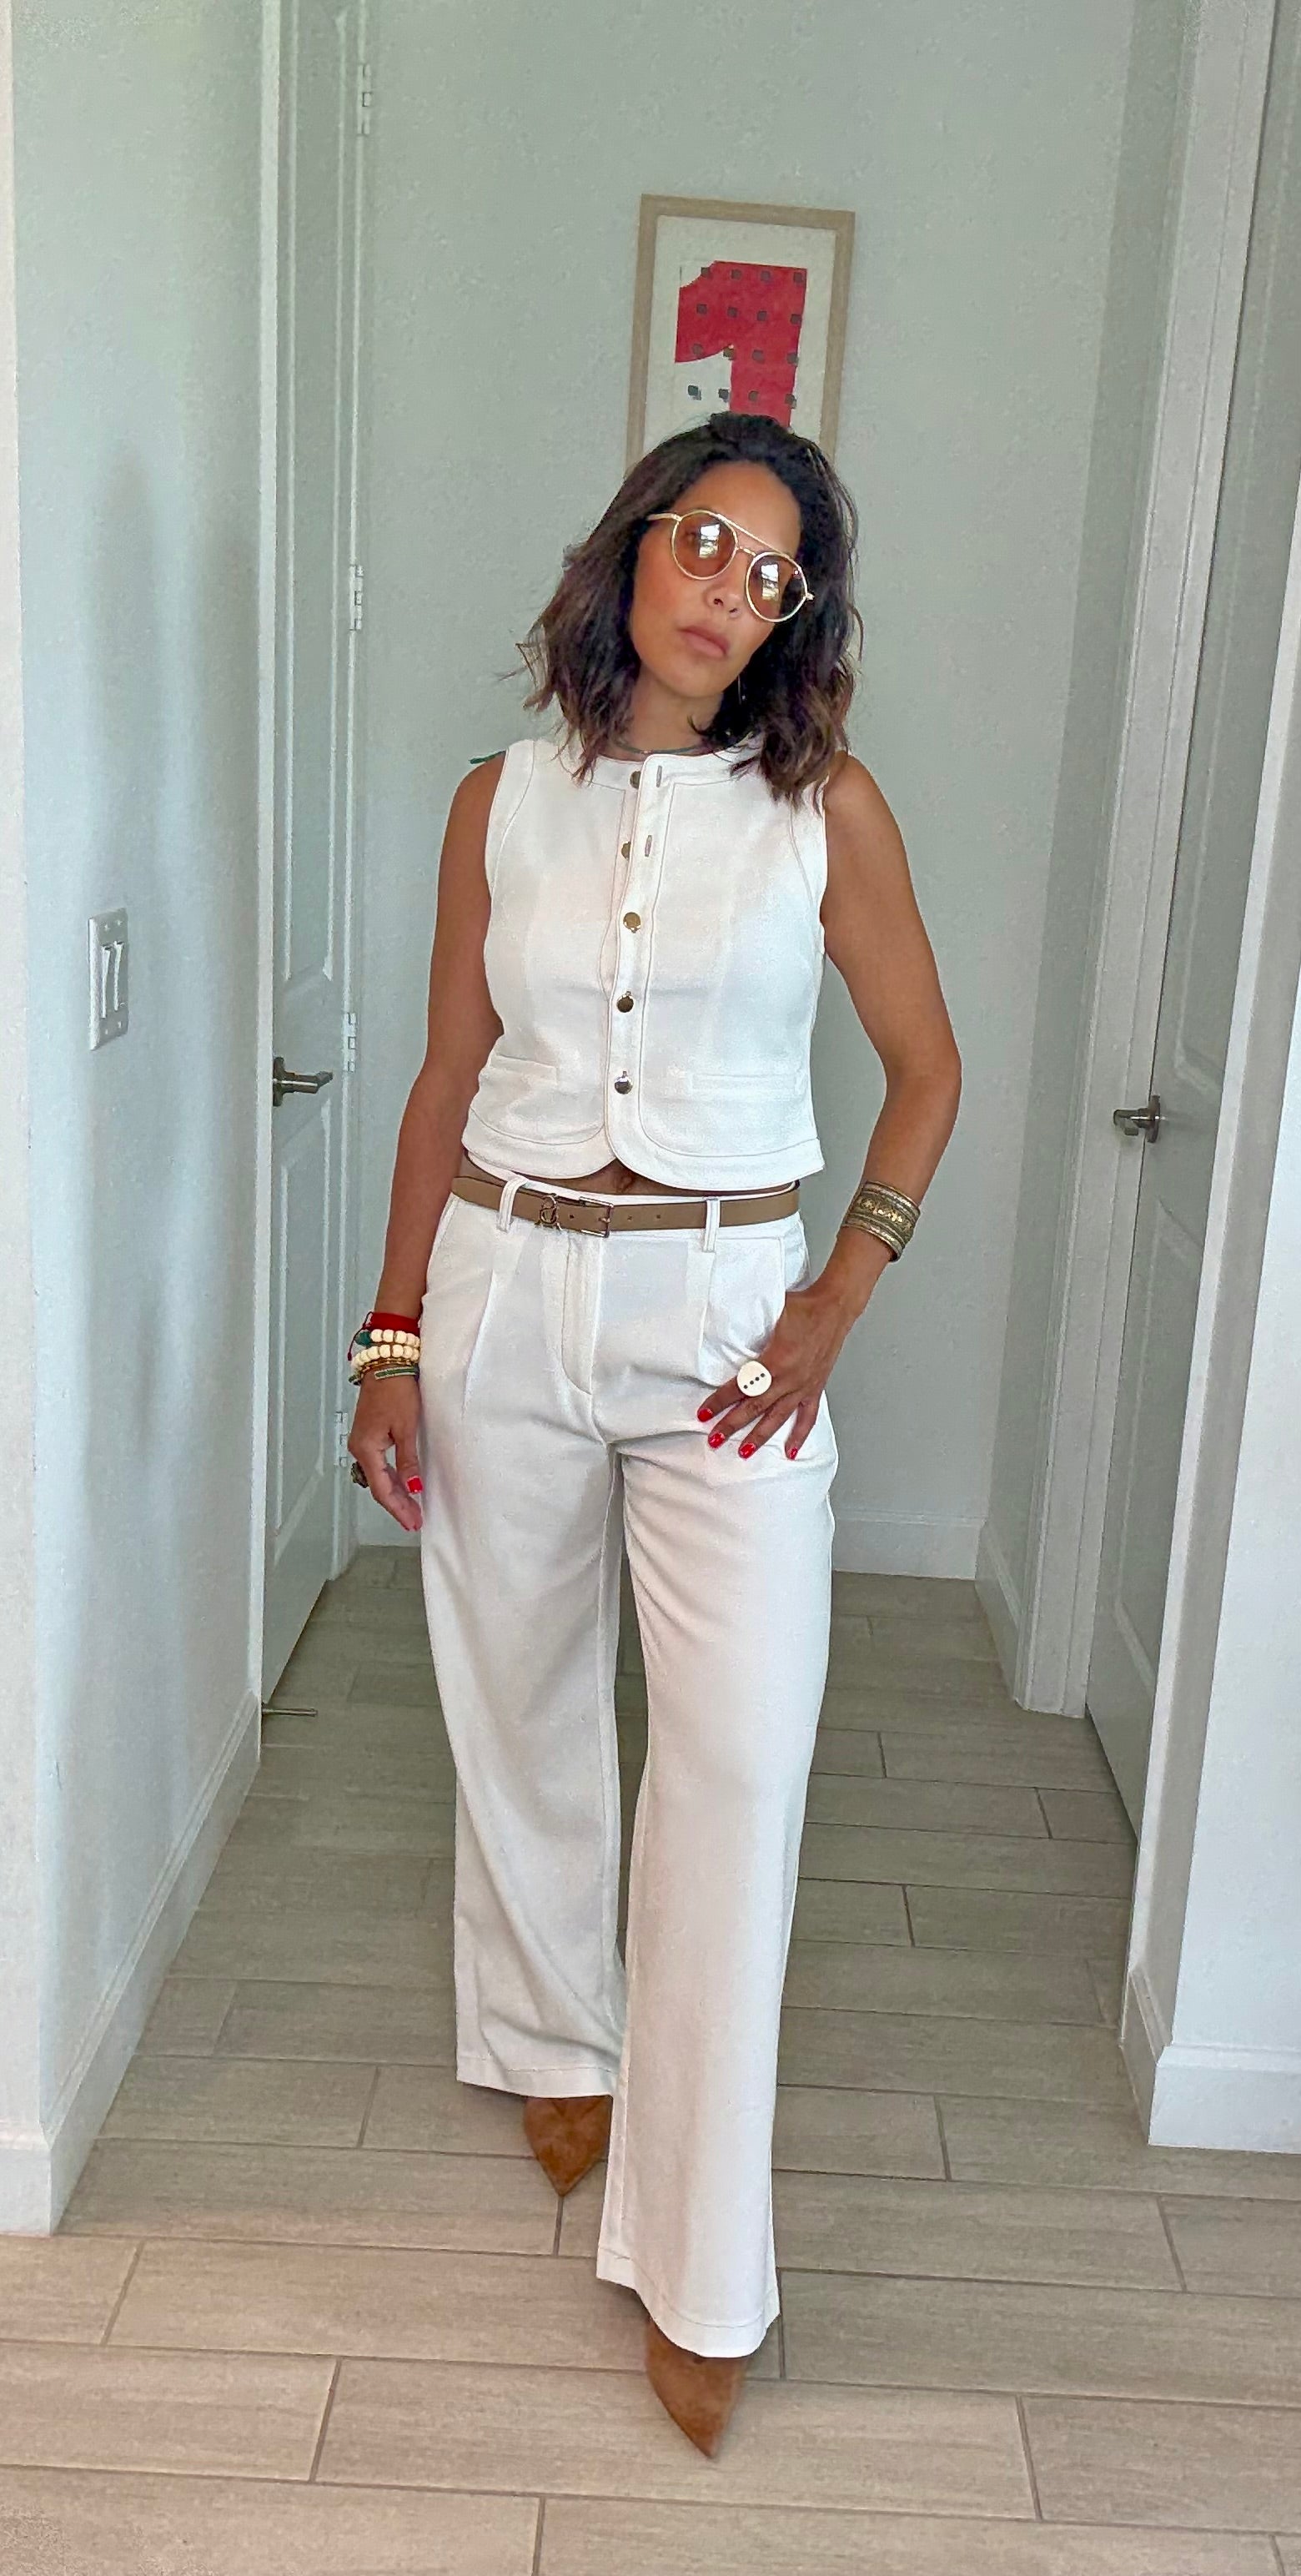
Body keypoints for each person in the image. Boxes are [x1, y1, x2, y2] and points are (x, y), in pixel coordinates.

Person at [347, 409, 961, 2454]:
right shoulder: (499, 800)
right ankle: (553, 2039)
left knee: (736, 1769)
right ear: (634, 544)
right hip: (508, 1281)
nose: (729, 588)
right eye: (707, 540)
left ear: (795, 622)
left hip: (726, 1319)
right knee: (518, 1696)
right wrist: (391, 1330)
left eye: (775, 574)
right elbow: (446, 1072)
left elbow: (927, 1070)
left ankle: (703, 2267)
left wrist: (835, 1300)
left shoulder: (826, 812)